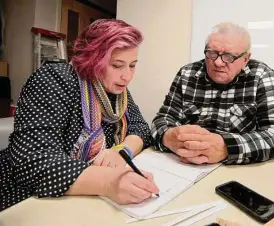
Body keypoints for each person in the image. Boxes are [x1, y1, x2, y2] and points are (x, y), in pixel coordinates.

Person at [0, 19, 159, 212]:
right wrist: (109, 182)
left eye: (132, 65)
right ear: (92, 61)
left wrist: (121, 151)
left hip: (83, 196)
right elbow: (32, 162)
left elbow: (141, 128)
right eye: (117, 65)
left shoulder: (117, 91)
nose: (127, 76)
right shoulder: (53, 79)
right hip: (24, 197)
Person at [151, 22, 274, 165]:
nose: (218, 62)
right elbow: (162, 120)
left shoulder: (261, 75)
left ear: (246, 59)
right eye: (212, 53)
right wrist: (168, 137)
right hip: (185, 165)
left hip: (237, 168)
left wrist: (226, 148)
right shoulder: (187, 74)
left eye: (229, 56)